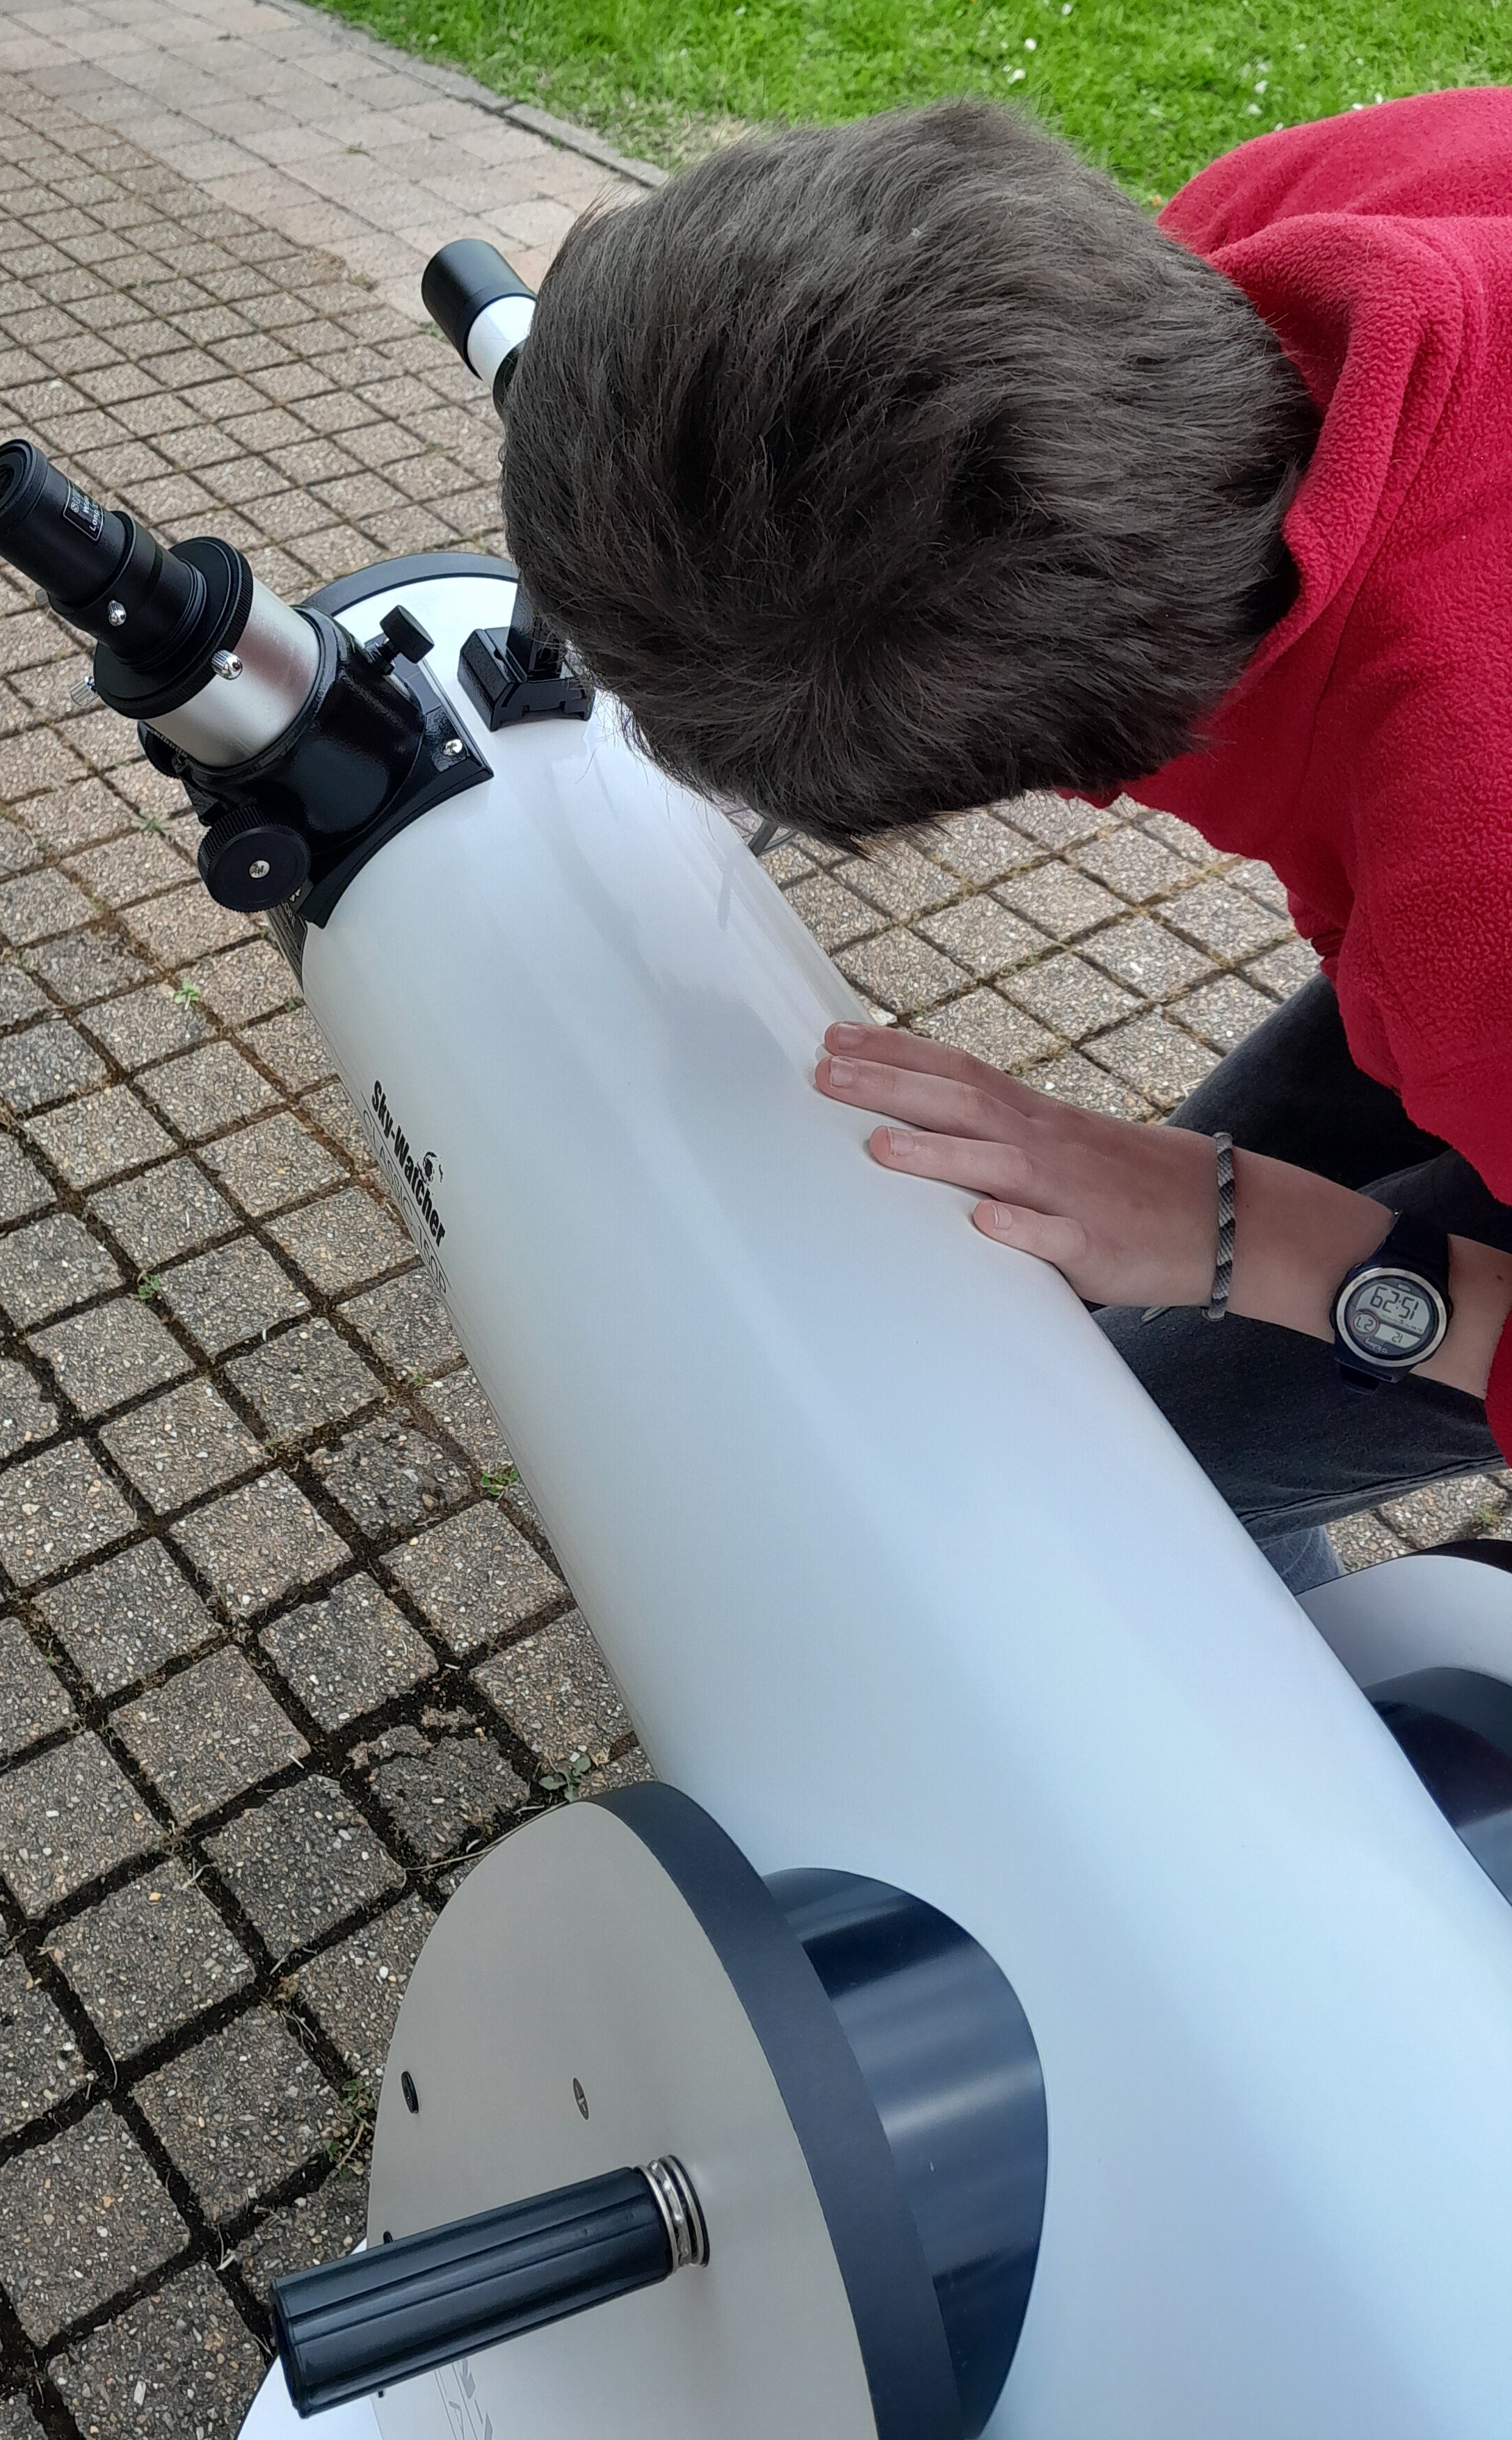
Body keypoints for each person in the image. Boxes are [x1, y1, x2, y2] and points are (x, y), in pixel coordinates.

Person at [498, 89, 1512, 1589]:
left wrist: (1242, 1233)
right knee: (1096, 1303)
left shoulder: (1469, 920)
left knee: (1125, 1490)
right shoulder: (1272, 230)